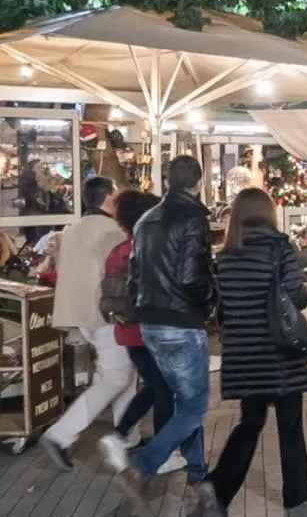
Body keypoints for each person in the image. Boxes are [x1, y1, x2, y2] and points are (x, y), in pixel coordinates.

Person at [112, 156, 219, 515]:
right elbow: (192, 277)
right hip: (181, 322)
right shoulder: (191, 218)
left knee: (184, 397)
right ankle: (143, 467)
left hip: (150, 323)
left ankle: (197, 475)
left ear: (168, 180)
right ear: (198, 183)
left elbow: (135, 276)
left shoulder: (145, 220)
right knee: (194, 404)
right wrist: (209, 302)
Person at [204, 188, 307, 515]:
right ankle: (296, 496)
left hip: (245, 355)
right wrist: (306, 290)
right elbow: (295, 297)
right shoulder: (279, 248)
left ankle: (217, 490)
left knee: (249, 423)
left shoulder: (225, 256)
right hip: (280, 353)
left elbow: (219, 307)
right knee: (290, 425)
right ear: (268, 213)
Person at [40, 177, 130, 470]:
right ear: (107, 199)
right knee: (115, 377)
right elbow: (120, 275)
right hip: (106, 315)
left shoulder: (73, 228)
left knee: (124, 372)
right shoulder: (112, 231)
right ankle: (60, 434)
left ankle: (128, 433)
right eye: (115, 194)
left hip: (80, 315)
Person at [97, 190, 188, 476]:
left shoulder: (117, 252)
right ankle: (160, 454)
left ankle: (120, 434)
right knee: (165, 390)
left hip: (127, 331)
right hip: (153, 331)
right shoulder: (151, 249)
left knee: (155, 386)